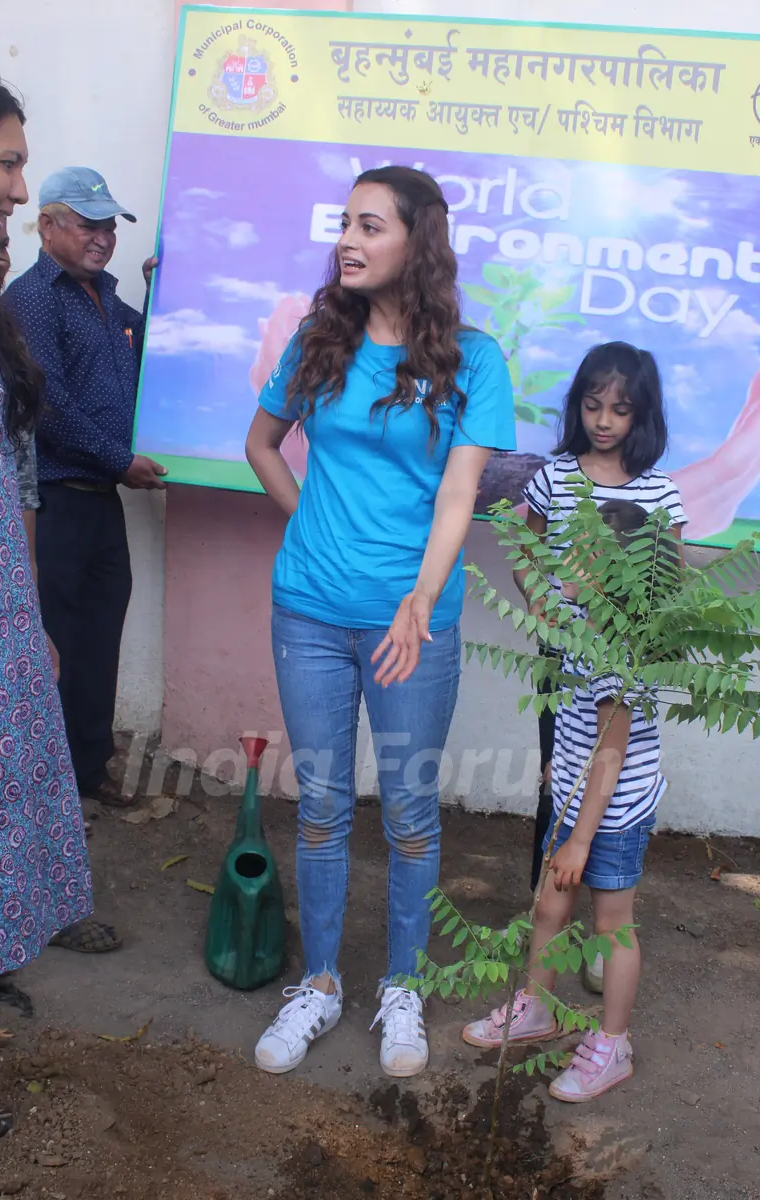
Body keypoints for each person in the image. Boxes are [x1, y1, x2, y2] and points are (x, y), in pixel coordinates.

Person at [245, 166, 516, 1078]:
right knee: (320, 804)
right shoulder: (319, 341)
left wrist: (419, 594)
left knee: (406, 811)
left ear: (418, 241)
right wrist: (309, 525)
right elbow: (261, 442)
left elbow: (460, 492)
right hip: (309, 610)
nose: (348, 240)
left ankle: (402, 986)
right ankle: (318, 985)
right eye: (344, 224)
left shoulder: (473, 360)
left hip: (414, 623)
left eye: (371, 225)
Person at [463, 348, 688, 1101]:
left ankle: (613, 1043)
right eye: (593, 404)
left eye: (620, 409)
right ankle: (536, 1008)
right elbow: (525, 538)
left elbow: (612, 752)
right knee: (551, 899)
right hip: (577, 768)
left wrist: (577, 837)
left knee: (612, 919)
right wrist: (541, 601)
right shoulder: (557, 483)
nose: (603, 420)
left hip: (611, 802)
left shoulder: (623, 644)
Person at [3, 165, 167, 809]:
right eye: (87, 223)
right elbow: (47, 404)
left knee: (100, 637)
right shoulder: (32, 298)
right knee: (57, 644)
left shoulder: (104, 297)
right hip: (57, 502)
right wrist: (118, 459)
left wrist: (161, 292)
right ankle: (45, 790)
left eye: (109, 225)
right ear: (47, 226)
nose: (101, 237)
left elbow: (151, 346)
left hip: (102, 500)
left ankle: (88, 771)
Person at [0, 74, 94, 984]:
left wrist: (24, 609)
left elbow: (14, 467)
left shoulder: (6, 329)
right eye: (8, 164)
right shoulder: (32, 302)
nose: (17, 195)